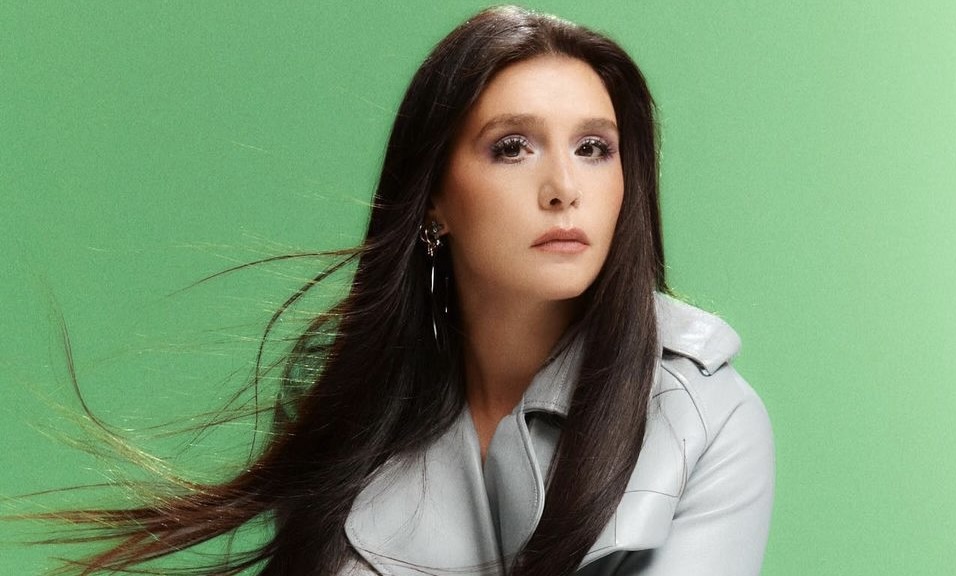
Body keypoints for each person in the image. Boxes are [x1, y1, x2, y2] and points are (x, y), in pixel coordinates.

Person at [42, 6, 774, 575]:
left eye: (594, 148)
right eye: (512, 147)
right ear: (434, 200)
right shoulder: (364, 424)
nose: (563, 188)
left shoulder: (704, 419)